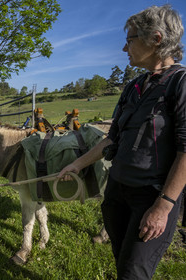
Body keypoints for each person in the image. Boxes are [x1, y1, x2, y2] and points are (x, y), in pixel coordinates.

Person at [58, 5, 186, 279]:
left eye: (130, 40)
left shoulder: (181, 83)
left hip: (151, 197)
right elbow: (112, 138)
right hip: (117, 192)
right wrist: (76, 165)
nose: (124, 49)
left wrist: (163, 207)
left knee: (133, 272)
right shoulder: (134, 86)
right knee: (122, 262)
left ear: (156, 39)